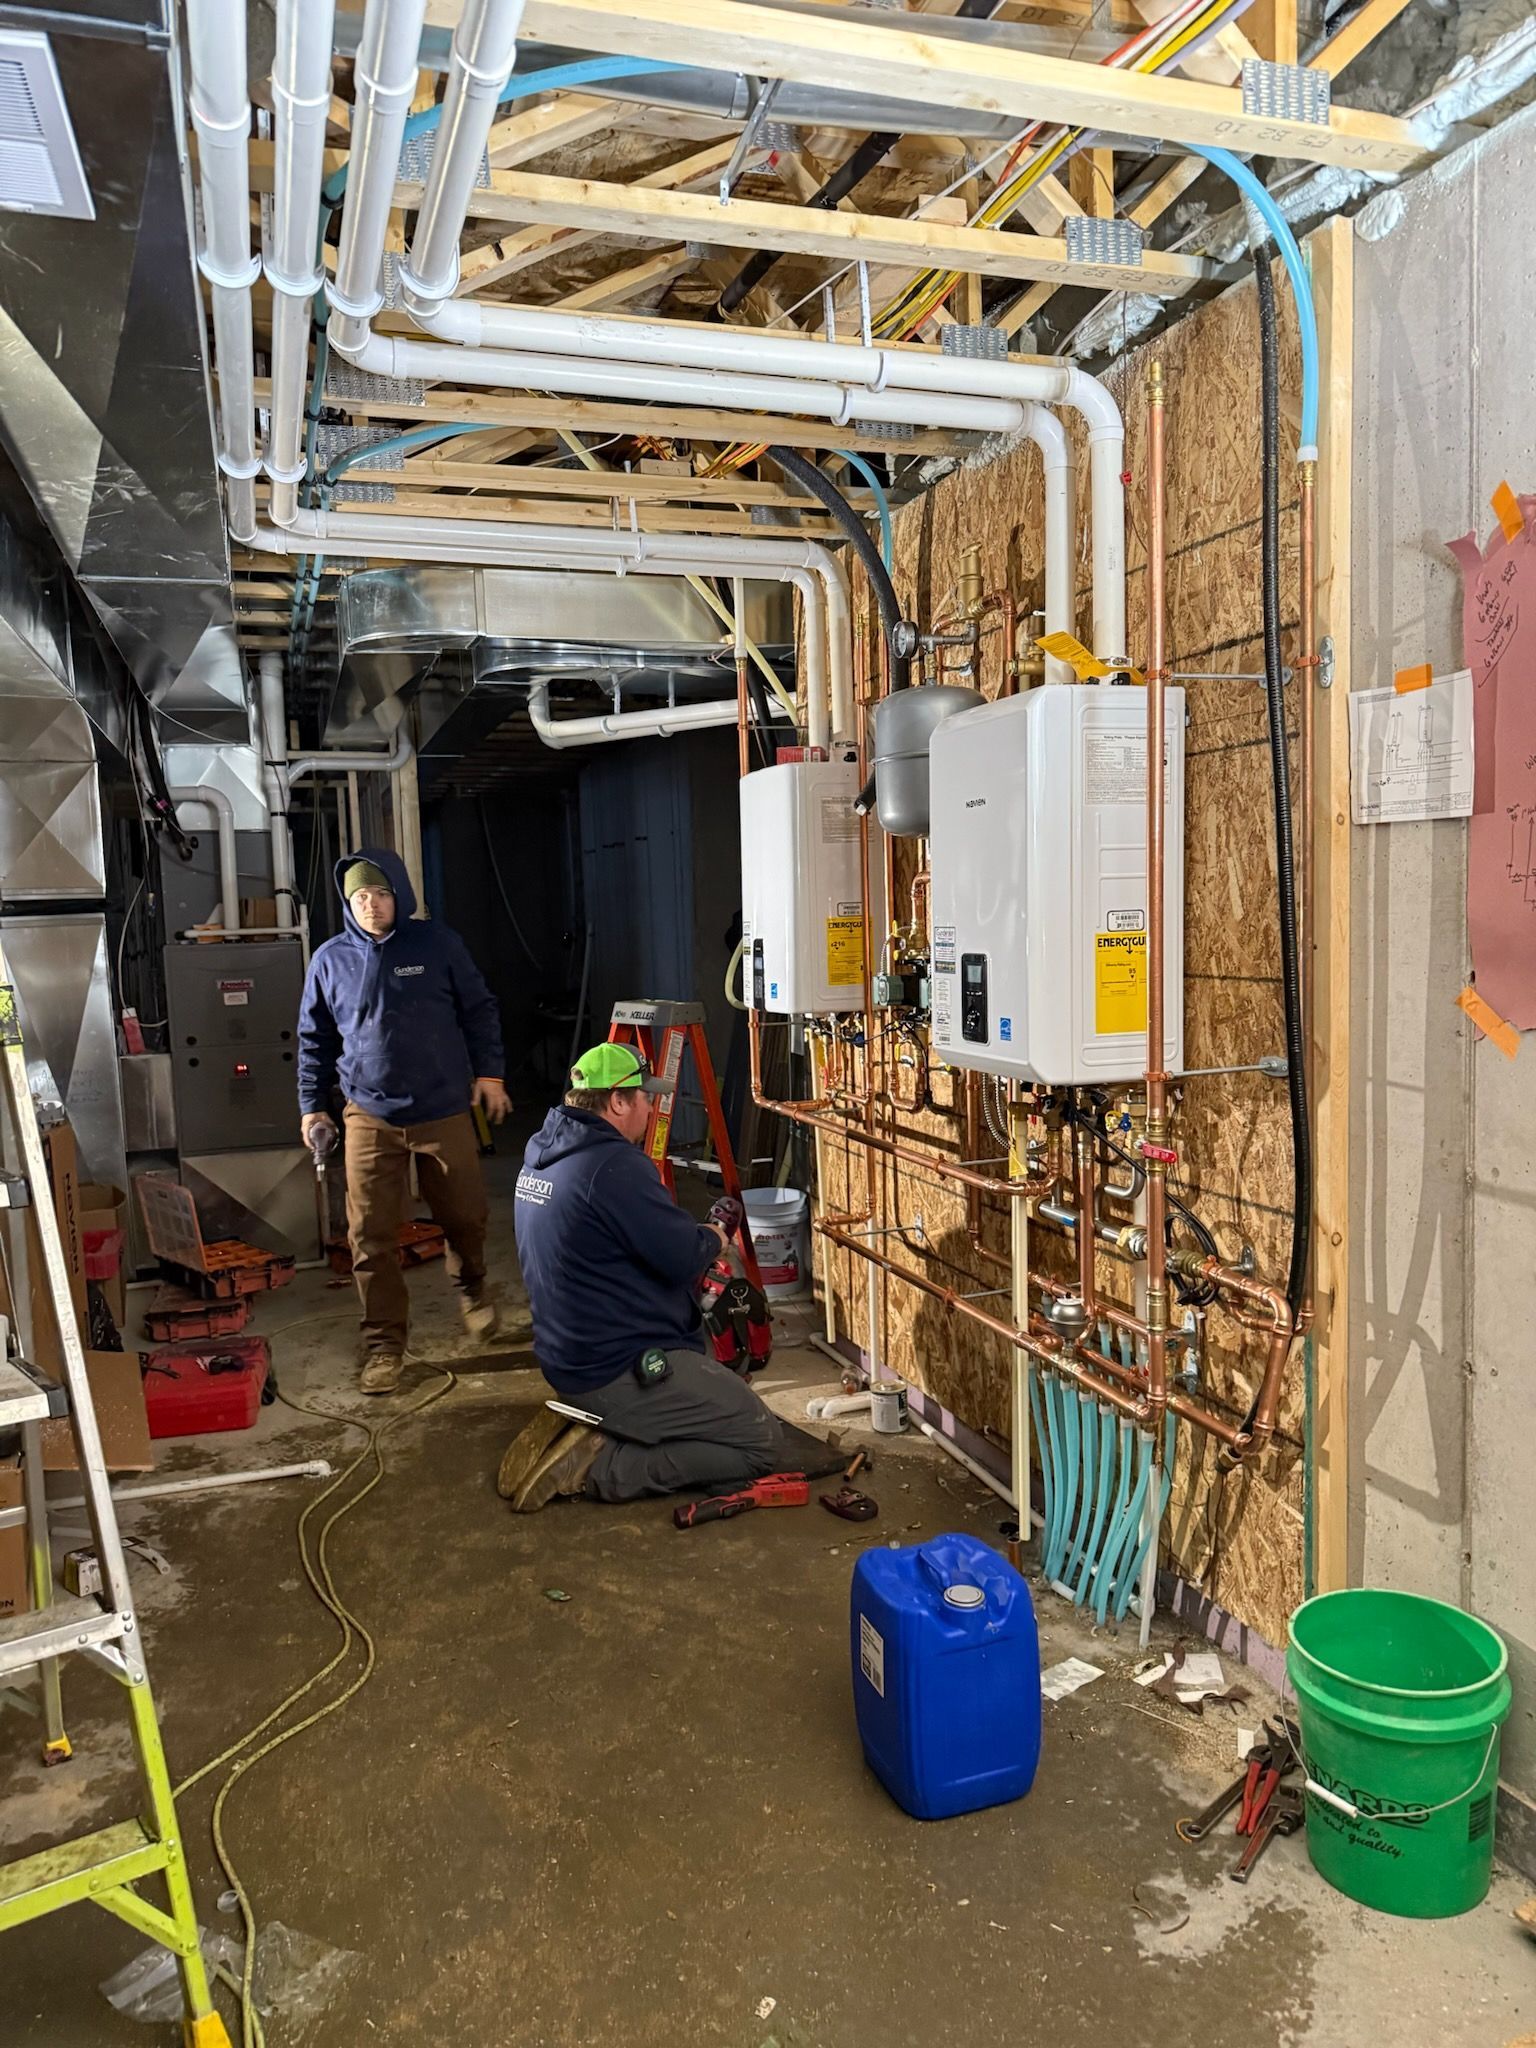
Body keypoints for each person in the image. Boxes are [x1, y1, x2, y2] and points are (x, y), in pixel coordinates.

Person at [499, 1042, 786, 1511]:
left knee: (712, 1384)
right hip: (613, 1369)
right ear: (617, 1101)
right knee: (759, 1440)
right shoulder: (612, 1166)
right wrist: (714, 1236)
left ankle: (593, 1424)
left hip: (566, 1357)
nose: (651, 1109)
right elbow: (681, 1258)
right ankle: (602, 1467)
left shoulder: (542, 1153)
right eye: (645, 1098)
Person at [297, 847, 528, 1394]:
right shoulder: (329, 960)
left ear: (399, 894)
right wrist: (312, 1105)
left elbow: (479, 1009)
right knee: (368, 1235)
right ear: (348, 903)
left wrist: (490, 1074)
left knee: (464, 1216)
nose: (371, 905)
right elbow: (314, 1038)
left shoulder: (437, 944)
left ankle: (472, 1288)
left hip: (441, 1107)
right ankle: (384, 1345)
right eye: (360, 896)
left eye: (380, 894)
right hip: (367, 1113)